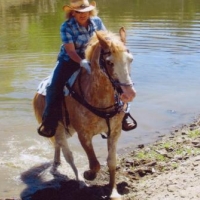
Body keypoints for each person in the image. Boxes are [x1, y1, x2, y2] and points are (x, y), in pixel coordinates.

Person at [38, 0, 136, 138]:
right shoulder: (66, 26)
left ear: (90, 11)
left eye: (85, 11)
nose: (82, 15)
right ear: (73, 12)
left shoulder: (97, 21)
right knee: (54, 86)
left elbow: (106, 40)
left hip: (94, 60)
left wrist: (119, 49)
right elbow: (71, 51)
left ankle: (125, 115)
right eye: (78, 12)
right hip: (69, 61)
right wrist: (82, 62)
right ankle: (49, 122)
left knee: (117, 80)